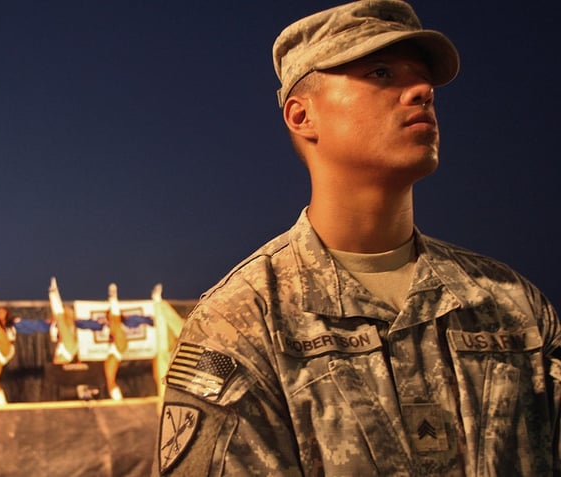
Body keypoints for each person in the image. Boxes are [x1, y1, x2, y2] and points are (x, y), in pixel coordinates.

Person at [157, 1, 561, 475]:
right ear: (302, 115)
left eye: (422, 78)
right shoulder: (242, 324)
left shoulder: (511, 304)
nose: (423, 91)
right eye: (382, 73)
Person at [103, 283, 127, 401]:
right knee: (109, 378)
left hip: (120, 344)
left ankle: (113, 297)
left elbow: (116, 319)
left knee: (115, 323)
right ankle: (117, 398)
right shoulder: (108, 325)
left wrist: (112, 299)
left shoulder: (117, 324)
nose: (110, 317)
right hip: (113, 349)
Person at [49, 276, 79, 364]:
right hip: (66, 346)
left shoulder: (67, 321)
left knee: (60, 319)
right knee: (58, 367)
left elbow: (59, 315)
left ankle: (53, 293)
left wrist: (53, 294)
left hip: (67, 345)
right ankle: (53, 293)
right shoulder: (60, 321)